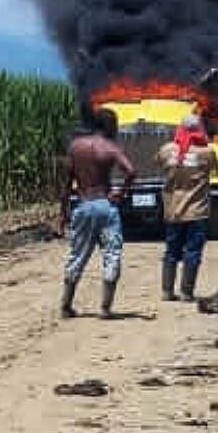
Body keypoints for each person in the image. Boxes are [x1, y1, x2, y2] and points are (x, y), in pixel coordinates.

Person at [59, 108, 136, 319]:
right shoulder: (110, 147)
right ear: (110, 126)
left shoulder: (76, 147)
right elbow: (131, 171)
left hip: (83, 205)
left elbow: (66, 184)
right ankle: (105, 308)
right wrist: (121, 192)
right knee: (112, 254)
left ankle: (66, 305)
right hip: (105, 206)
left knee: (77, 255)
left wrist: (63, 213)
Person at [157, 114, 214, 303]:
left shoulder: (166, 150)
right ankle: (186, 293)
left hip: (172, 210)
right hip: (196, 211)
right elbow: (213, 168)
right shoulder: (206, 152)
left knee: (171, 251)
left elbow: (158, 162)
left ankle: (167, 291)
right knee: (193, 252)